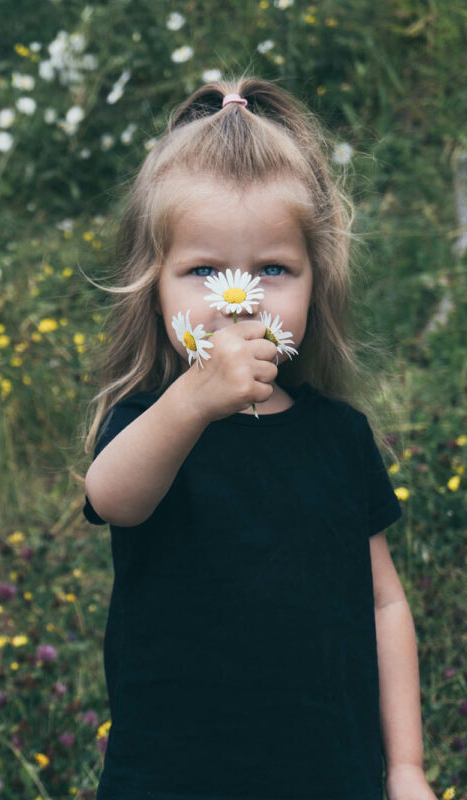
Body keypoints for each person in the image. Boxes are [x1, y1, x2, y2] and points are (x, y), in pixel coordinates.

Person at [81, 76, 437, 800]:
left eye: (272, 270)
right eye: (203, 271)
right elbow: (112, 497)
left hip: (327, 770)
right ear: (154, 288)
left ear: (316, 283)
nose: (233, 300)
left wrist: (405, 767)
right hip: (176, 774)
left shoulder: (338, 436)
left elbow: (384, 604)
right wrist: (193, 402)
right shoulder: (151, 422)